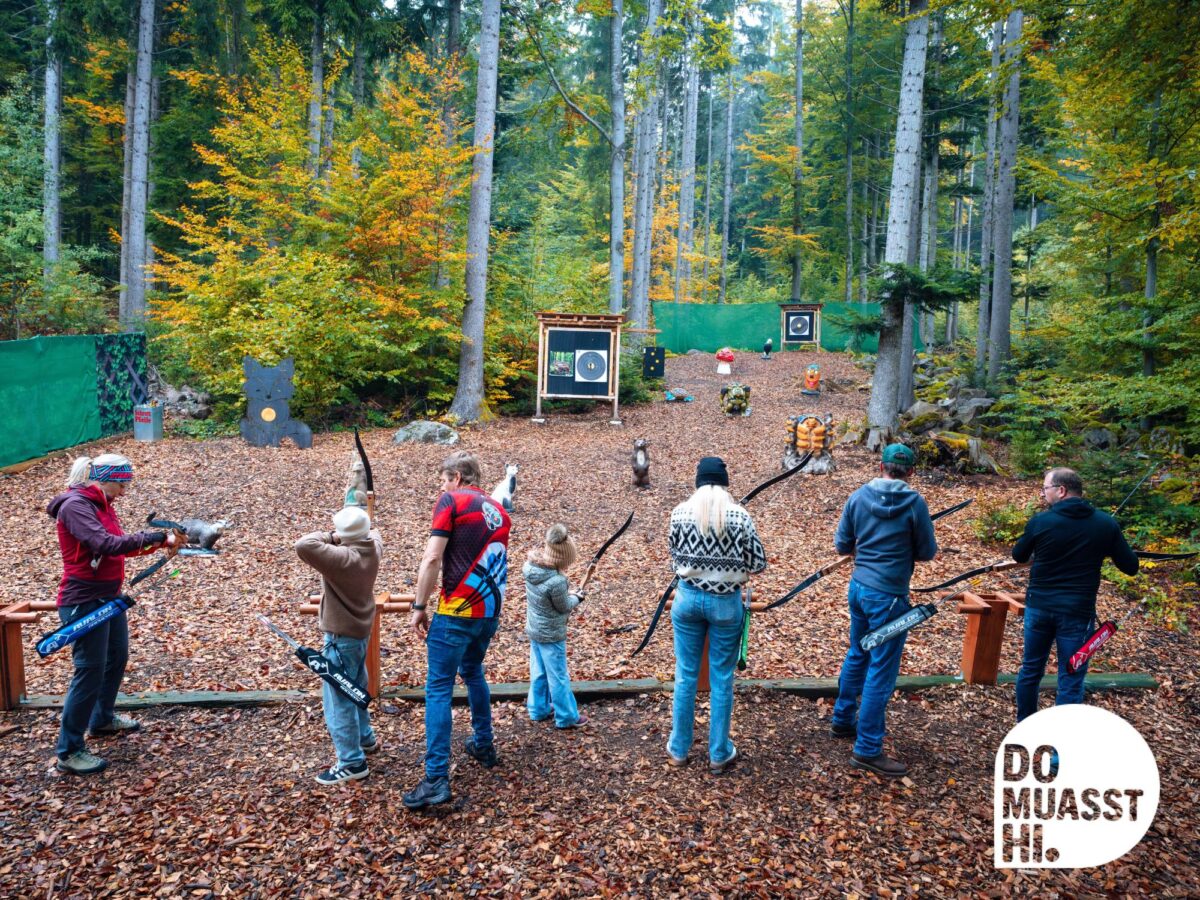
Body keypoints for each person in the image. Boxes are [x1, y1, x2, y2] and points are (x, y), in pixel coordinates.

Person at [47, 453, 177, 775]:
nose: (126, 490)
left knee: (116, 656)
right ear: (106, 479)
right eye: (123, 483)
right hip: (85, 600)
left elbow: (121, 545)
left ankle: (102, 718)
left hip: (108, 596)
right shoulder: (76, 506)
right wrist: (158, 536)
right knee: (89, 670)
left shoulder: (103, 505)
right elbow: (104, 544)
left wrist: (162, 544)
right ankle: (69, 750)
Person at [404, 451, 511, 810]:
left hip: (456, 610)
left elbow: (433, 557)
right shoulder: (498, 510)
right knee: (473, 671)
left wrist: (419, 607)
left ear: (457, 477)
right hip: (488, 611)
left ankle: (435, 779)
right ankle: (483, 743)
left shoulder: (453, 500)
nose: (440, 486)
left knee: (438, 687)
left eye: (443, 478)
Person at [830, 443, 937, 778]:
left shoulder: (858, 497)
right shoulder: (915, 503)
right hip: (889, 596)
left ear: (881, 466)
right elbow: (927, 552)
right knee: (881, 669)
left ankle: (843, 719)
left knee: (858, 652)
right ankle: (867, 749)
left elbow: (841, 545)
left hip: (860, 588)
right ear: (911, 472)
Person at [1012, 467, 1139, 722]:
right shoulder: (1105, 523)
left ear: (1061, 490)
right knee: (1071, 677)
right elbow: (1130, 566)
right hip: (1077, 614)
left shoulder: (1041, 521)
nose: (1043, 494)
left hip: (1040, 608)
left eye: (1045, 488)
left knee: (1030, 670)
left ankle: (1024, 728)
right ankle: (1061, 751)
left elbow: (1019, 556)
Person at [666, 456, 767, 774]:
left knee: (685, 675)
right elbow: (758, 563)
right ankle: (719, 753)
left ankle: (679, 749)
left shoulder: (679, 512)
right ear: (724, 483)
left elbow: (674, 559)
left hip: (687, 600)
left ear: (697, 481)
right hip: (725, 604)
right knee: (722, 679)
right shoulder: (739, 516)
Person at [295, 506, 383, 786]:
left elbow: (304, 544)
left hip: (340, 637)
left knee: (339, 698)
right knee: (355, 685)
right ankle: (365, 738)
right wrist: (354, 528)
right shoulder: (374, 545)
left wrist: (332, 536)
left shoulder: (343, 558)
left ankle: (351, 762)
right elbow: (373, 532)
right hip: (360, 632)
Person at [523, 524, 587, 729]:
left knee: (539, 671)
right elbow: (564, 607)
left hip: (535, 630)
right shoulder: (557, 581)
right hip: (551, 635)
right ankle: (567, 716)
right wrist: (577, 597)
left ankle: (538, 709)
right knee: (558, 676)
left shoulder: (531, 568)